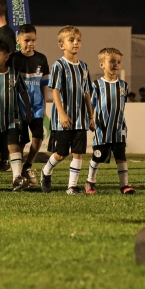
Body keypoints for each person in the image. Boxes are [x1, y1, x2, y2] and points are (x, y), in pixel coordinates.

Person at [42, 25, 94, 195]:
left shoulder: (84, 67)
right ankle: (46, 171)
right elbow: (55, 91)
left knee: (78, 153)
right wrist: (62, 114)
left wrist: (91, 116)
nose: (76, 43)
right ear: (61, 45)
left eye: (78, 40)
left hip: (80, 119)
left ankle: (72, 186)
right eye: (71, 40)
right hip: (63, 120)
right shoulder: (59, 65)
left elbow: (87, 92)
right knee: (61, 153)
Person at [0, 39, 32, 191]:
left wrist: (28, 110)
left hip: (12, 118)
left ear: (6, 56)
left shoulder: (14, 75)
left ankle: (17, 179)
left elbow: (23, 92)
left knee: (13, 147)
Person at [88, 48, 134, 195]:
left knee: (121, 156)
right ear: (102, 64)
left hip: (119, 129)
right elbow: (91, 105)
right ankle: (90, 182)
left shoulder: (124, 86)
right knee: (98, 156)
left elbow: (121, 106)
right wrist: (90, 119)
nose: (116, 65)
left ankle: (124, 185)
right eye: (112, 61)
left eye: (118, 62)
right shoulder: (96, 85)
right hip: (102, 129)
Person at [10, 23, 49, 187]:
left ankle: (28, 166)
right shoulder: (13, 59)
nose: (30, 43)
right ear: (18, 40)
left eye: (33, 40)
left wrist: (44, 104)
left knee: (38, 138)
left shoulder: (41, 59)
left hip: (36, 107)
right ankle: (18, 174)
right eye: (26, 40)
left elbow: (44, 84)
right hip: (19, 108)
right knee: (20, 142)